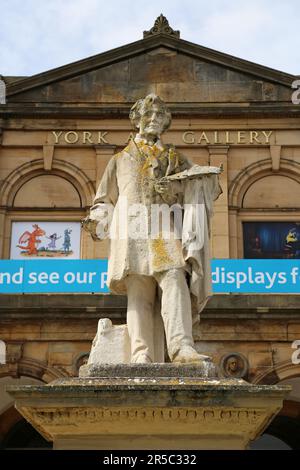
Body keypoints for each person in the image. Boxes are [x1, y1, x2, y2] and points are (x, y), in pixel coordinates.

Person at [83, 94, 222, 364]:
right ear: (136, 119)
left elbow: (204, 188)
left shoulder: (176, 158)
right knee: (139, 293)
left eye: (159, 116)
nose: (154, 120)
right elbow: (104, 200)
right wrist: (97, 219)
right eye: (149, 115)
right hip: (131, 229)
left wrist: (182, 187)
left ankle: (182, 347)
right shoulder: (119, 160)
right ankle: (140, 355)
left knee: (174, 280)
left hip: (163, 225)